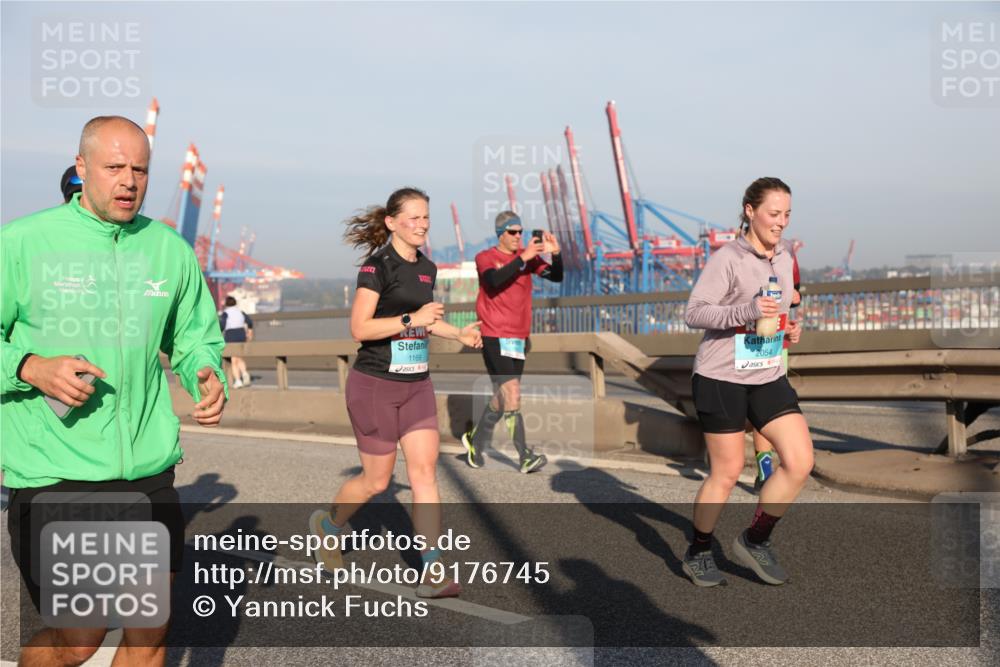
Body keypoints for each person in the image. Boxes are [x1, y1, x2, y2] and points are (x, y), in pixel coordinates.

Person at [1, 116, 227, 666]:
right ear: (82, 169)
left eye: (141, 170)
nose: (129, 181)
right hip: (57, 473)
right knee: (79, 642)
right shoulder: (23, 242)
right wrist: (29, 365)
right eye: (114, 167)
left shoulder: (168, 249)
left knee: (149, 637)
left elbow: (194, 334)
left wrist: (205, 370)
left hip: (147, 473)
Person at [308, 187, 481, 598]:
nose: (422, 225)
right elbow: (360, 328)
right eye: (414, 218)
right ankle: (328, 527)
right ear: (391, 222)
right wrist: (410, 318)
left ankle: (433, 570)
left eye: (426, 218)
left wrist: (457, 331)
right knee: (376, 482)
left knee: (424, 475)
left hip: (417, 384)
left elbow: (426, 320)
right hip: (375, 386)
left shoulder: (428, 268)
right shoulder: (376, 267)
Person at [681, 177, 814, 587]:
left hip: (767, 372)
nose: (781, 222)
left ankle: (754, 540)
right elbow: (695, 313)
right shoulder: (729, 259)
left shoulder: (784, 254)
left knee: (800, 461)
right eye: (774, 214)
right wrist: (745, 310)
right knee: (727, 470)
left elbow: (779, 311)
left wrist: (789, 329)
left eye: (787, 214)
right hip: (721, 376)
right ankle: (699, 550)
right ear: (750, 211)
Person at [460, 211, 562, 473]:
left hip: (518, 338)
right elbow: (493, 281)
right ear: (500, 234)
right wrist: (524, 259)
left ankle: (475, 440)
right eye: (513, 232)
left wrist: (556, 254)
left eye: (520, 232)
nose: (518, 236)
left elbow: (556, 276)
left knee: (503, 397)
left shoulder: (527, 259)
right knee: (513, 392)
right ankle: (525, 455)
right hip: (494, 334)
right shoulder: (485, 257)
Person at [751, 253, 802, 492]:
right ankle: (765, 470)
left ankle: (766, 471)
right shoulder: (738, 256)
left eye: (784, 215)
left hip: (778, 341)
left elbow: (796, 295)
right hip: (749, 343)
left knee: (769, 407)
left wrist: (794, 297)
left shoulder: (787, 257)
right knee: (760, 408)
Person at [220, 295, 254, 388]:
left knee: (233, 360)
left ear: (226, 304)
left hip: (231, 335)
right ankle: (245, 373)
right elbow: (250, 322)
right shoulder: (241, 312)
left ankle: (238, 381)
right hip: (241, 334)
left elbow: (222, 325)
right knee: (239, 357)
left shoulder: (225, 313)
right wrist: (250, 332)